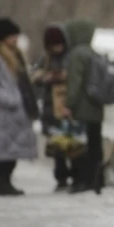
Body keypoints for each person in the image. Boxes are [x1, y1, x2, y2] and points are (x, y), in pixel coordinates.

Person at [0, 18, 40, 196]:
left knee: (11, 152)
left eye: (16, 35)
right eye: (11, 36)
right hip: (3, 114)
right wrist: (11, 99)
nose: (15, 39)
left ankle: (6, 183)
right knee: (2, 153)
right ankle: (3, 184)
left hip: (16, 115)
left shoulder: (17, 56)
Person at [32, 24, 84, 191]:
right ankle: (61, 178)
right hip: (50, 109)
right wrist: (46, 77)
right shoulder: (45, 59)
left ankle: (76, 177)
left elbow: (76, 76)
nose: (57, 49)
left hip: (67, 108)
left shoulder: (70, 58)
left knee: (73, 146)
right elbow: (34, 76)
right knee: (57, 149)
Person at [64, 19, 105, 194]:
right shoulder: (94, 53)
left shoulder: (76, 54)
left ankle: (81, 181)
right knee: (95, 145)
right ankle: (96, 180)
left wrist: (69, 104)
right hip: (96, 108)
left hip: (81, 110)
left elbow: (75, 82)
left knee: (79, 147)